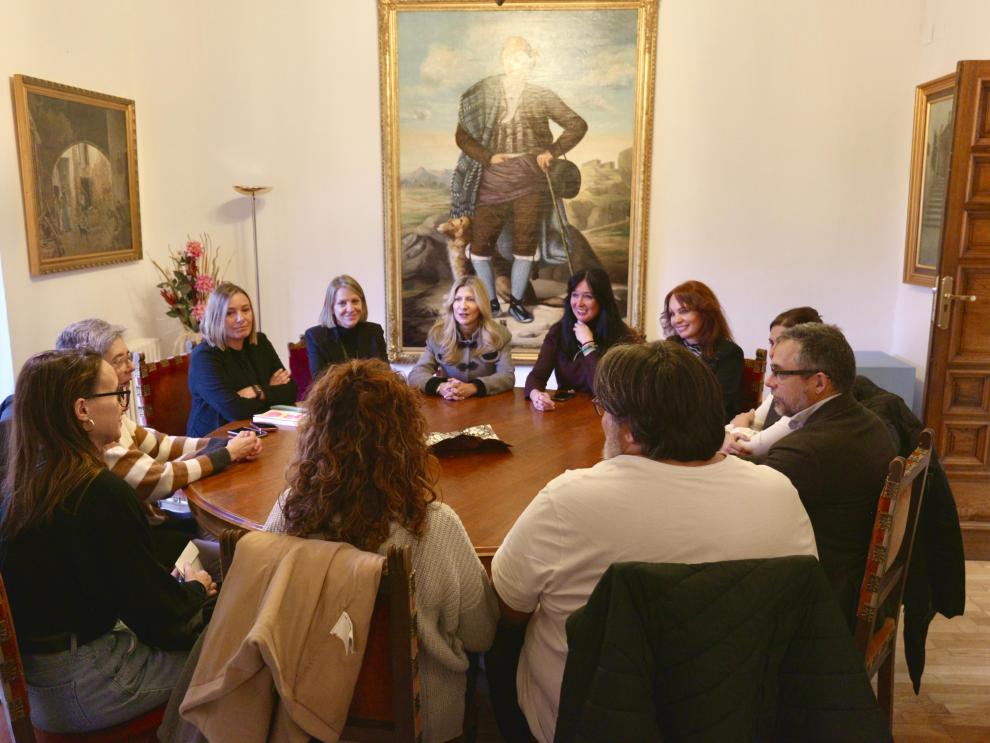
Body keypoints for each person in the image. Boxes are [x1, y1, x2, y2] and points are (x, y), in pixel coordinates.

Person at [489, 341, 818, 743]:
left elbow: (509, 609)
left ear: (627, 433)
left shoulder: (569, 500)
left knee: (499, 640)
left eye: (603, 411)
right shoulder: (779, 492)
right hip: (737, 715)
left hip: (593, 723)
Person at [263, 359, 498, 743]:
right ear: (405, 439)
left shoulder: (290, 513)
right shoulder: (433, 526)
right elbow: (481, 635)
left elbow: (266, 601)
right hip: (425, 724)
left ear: (317, 434)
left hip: (310, 717)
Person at [0, 350, 215, 733]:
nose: (121, 405)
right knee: (230, 658)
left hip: (44, 689)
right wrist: (195, 591)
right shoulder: (98, 492)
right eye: (115, 394)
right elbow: (158, 617)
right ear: (82, 410)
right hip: (90, 684)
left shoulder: (24, 486)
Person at [762, 323, 896, 629]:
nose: (769, 381)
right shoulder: (867, 421)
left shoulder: (806, 452)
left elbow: (746, 514)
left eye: (779, 372)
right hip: (849, 579)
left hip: (823, 603)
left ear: (819, 382)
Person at [452, 36, 588, 323]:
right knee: (480, 246)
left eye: (524, 60)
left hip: (529, 177)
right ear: (503, 60)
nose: (518, 65)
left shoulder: (541, 95)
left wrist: (551, 150)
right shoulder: (483, 94)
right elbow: (462, 136)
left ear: (532, 63)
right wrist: (487, 157)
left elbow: (577, 124)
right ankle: (489, 302)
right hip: (492, 178)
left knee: (525, 244)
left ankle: (516, 302)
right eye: (512, 58)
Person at [55, 319, 262, 502]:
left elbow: (161, 445)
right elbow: (160, 478)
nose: (131, 366)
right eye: (119, 361)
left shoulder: (115, 417)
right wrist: (227, 453)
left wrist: (225, 444)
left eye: (129, 357)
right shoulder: (100, 435)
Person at [187, 283, 297, 437]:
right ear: (216, 317)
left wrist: (257, 391)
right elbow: (234, 410)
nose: (241, 318)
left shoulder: (260, 342)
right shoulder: (204, 357)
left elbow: (291, 391)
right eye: (230, 313)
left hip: (256, 432)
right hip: (213, 441)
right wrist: (271, 390)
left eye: (246, 310)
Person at [524, 268, 637, 411]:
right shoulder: (558, 331)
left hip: (606, 417)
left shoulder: (622, 336)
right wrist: (537, 396)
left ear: (602, 299)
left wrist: (587, 344)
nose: (579, 303)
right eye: (575, 295)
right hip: (568, 415)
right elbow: (537, 376)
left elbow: (607, 392)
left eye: (588, 296)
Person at [724, 306, 824, 457]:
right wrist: (733, 432)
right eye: (772, 343)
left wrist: (740, 426)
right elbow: (753, 425)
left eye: (781, 342)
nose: (772, 352)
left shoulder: (803, 396)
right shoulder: (783, 387)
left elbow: (747, 448)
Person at [407, 276, 514, 400]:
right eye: (457, 299)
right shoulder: (438, 334)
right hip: (449, 402)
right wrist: (441, 387)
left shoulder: (500, 334)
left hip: (486, 402)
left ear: (481, 304)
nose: (463, 306)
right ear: (452, 304)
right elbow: (416, 374)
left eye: (470, 299)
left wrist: (474, 387)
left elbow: (507, 376)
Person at [661, 280, 744, 423]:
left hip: (706, 429)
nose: (676, 320)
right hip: (669, 425)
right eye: (672, 314)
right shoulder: (669, 346)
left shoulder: (729, 353)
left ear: (705, 312)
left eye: (684, 311)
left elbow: (716, 406)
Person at [304, 275, 387, 380]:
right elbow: (321, 382)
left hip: (372, 395)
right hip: (334, 395)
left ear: (362, 303)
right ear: (332, 308)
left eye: (355, 301)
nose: (350, 309)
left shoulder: (375, 331)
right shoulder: (315, 336)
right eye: (342, 303)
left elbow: (385, 374)